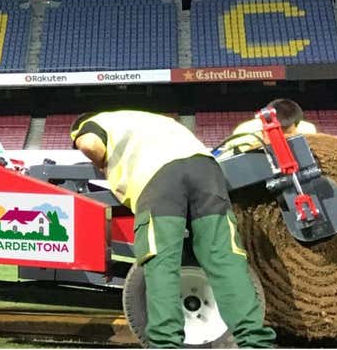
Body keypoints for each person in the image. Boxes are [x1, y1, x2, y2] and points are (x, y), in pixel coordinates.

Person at [70, 110, 276, 348]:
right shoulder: (154, 119)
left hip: (159, 179)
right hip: (206, 170)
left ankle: (165, 344)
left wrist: (103, 166)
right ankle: (255, 342)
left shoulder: (93, 123)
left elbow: (89, 143)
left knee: (162, 262)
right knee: (225, 258)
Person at [217, 98, 316, 156]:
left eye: (287, 133)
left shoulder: (308, 131)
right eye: (273, 131)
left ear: (296, 125)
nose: (281, 138)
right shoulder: (243, 136)